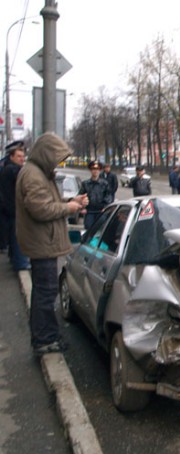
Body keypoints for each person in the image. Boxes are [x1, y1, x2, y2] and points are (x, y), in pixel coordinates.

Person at [15, 132, 87, 355]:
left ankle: (45, 336)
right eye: (57, 157)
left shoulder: (38, 173)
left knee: (44, 292)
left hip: (43, 241)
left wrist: (70, 201)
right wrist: (69, 208)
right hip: (42, 243)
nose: (58, 162)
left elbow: (47, 202)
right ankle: (44, 340)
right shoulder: (34, 176)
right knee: (45, 293)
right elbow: (40, 209)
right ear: (46, 154)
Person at [0, 143, 31, 270]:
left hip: (8, 209)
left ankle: (16, 260)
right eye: (19, 156)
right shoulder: (13, 170)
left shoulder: (6, 167)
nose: (22, 159)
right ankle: (21, 263)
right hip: (13, 210)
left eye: (23, 156)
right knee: (18, 238)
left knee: (14, 238)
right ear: (11, 156)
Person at [79, 161, 111, 229]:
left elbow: (108, 196)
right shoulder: (85, 184)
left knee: (100, 230)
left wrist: (106, 207)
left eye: (97, 169)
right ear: (90, 170)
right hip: (89, 211)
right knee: (88, 229)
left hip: (101, 211)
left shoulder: (104, 184)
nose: (95, 171)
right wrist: (82, 207)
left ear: (99, 171)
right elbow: (80, 196)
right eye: (93, 169)